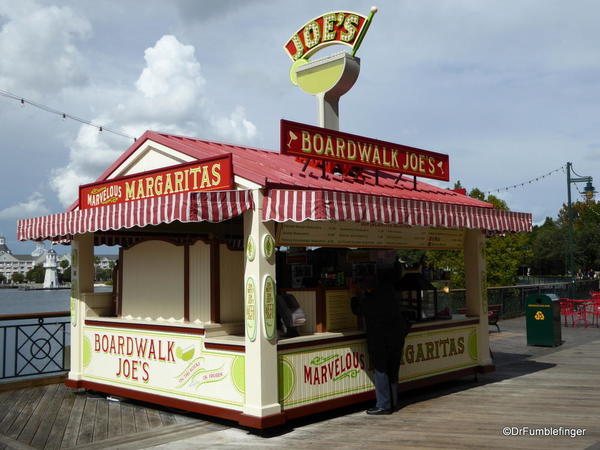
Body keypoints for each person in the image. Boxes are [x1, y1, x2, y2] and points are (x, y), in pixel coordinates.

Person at [351, 269, 411, 415]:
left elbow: (358, 310)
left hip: (380, 340)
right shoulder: (389, 293)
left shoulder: (371, 300)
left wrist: (353, 296)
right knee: (393, 369)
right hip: (396, 338)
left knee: (381, 369)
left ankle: (383, 405)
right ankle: (393, 402)